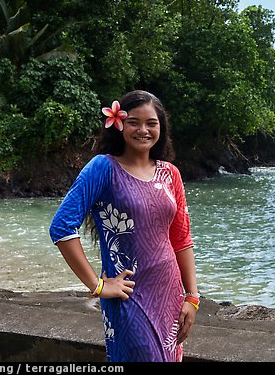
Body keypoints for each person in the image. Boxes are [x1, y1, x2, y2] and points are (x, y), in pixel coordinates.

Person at [49, 90, 199, 362]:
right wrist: (97, 286)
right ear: (118, 124)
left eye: (151, 123)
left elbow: (181, 239)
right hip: (128, 297)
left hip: (170, 294)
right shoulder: (103, 168)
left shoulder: (170, 173)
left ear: (161, 127)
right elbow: (62, 227)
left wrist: (192, 297)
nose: (143, 130)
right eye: (134, 122)